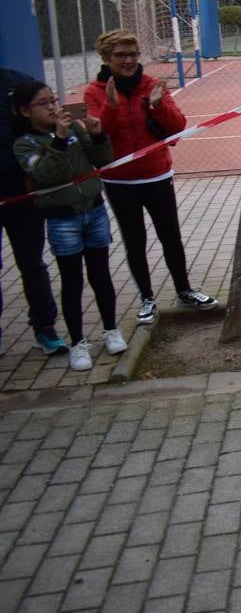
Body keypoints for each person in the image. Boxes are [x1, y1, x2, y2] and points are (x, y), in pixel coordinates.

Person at [82, 29, 217, 326]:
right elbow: (99, 135)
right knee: (135, 240)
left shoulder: (153, 85)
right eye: (121, 56)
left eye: (132, 55)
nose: (128, 61)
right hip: (119, 181)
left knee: (171, 235)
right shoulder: (94, 91)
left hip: (157, 175)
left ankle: (185, 289)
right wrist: (111, 105)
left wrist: (158, 105)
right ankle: (146, 297)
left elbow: (177, 128)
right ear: (106, 58)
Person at [11, 81, 124, 372]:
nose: (52, 106)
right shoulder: (25, 144)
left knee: (101, 274)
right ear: (25, 110)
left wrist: (97, 136)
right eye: (43, 103)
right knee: (72, 281)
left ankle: (111, 330)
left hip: (94, 210)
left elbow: (103, 160)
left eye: (54, 100)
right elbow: (47, 175)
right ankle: (78, 343)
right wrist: (59, 140)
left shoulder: (74, 129)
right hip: (62, 219)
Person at [0, 67, 64, 356]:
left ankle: (45, 327)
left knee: (32, 264)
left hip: (23, 196)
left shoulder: (17, 83)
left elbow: (44, 125)